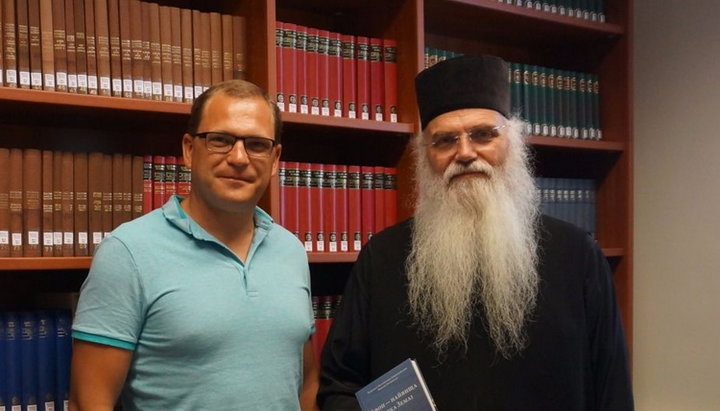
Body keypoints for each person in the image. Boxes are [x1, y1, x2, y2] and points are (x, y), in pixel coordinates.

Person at [318, 55, 633, 410]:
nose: (465, 153)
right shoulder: (383, 257)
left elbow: (612, 391)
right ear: (425, 156)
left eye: (483, 135)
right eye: (445, 140)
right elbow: (338, 385)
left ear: (512, 144)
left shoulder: (577, 255)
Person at [70, 80, 319, 410]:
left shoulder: (291, 251)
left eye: (257, 144)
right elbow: (89, 403)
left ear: (274, 160)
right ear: (189, 149)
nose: (239, 158)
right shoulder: (127, 253)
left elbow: (306, 384)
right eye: (221, 140)